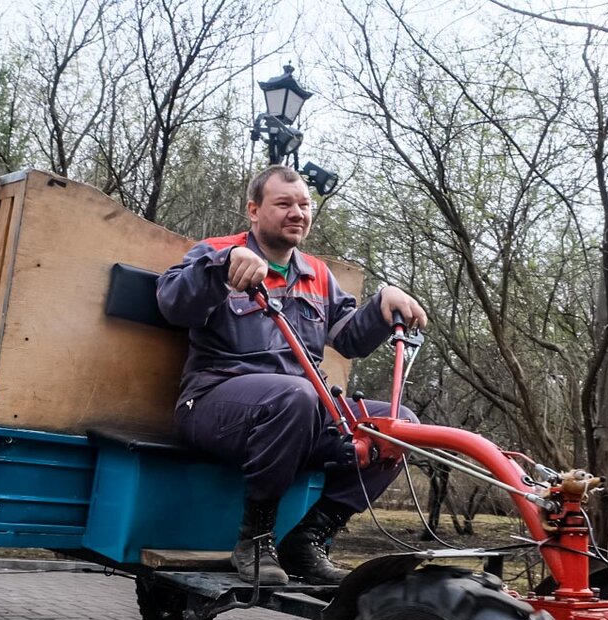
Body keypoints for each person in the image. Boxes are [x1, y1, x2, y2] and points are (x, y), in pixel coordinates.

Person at [156, 164, 428, 586]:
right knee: (296, 395)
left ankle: (307, 539)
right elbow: (174, 306)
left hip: (298, 410)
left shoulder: (317, 274)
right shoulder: (217, 251)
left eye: (304, 204)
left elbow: (349, 340)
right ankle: (256, 539)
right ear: (254, 210)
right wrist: (222, 265)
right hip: (213, 402)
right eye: (284, 204)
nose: (297, 213)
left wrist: (381, 305)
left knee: (400, 427)